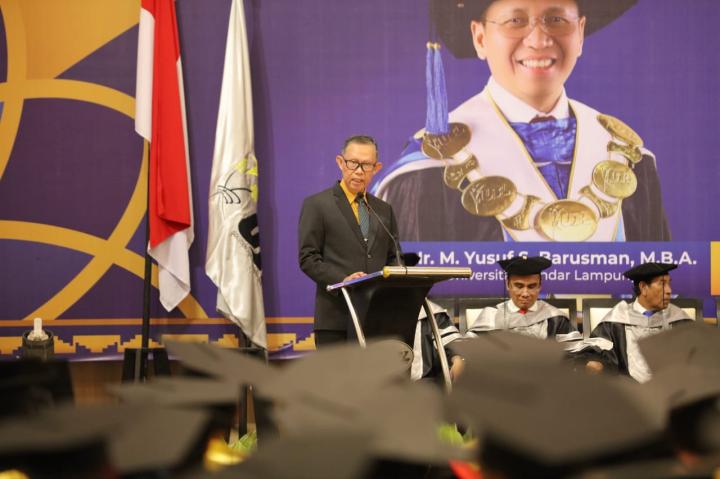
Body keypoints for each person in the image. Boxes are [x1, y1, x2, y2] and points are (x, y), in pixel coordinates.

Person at [374, 0, 671, 242]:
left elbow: (660, 291)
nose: (539, 40)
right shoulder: (431, 169)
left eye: (556, 19)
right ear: (480, 38)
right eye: (515, 21)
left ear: (580, 34)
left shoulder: (625, 157)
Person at [298, 135, 400, 347]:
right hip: (336, 319)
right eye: (353, 163)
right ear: (340, 162)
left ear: (376, 167)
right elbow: (308, 258)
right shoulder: (317, 205)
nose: (359, 171)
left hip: (377, 320)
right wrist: (343, 279)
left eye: (366, 165)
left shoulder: (384, 210)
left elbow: (394, 258)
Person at [580, 262, 693, 383]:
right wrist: (597, 364)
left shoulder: (680, 321)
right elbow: (597, 356)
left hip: (672, 395)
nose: (669, 290)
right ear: (643, 287)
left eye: (669, 283)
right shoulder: (615, 321)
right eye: (662, 284)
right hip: (627, 396)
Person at [466, 256, 578, 339]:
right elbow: (470, 353)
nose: (525, 293)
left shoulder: (555, 319)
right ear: (508, 285)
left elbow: (572, 356)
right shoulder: (491, 316)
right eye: (519, 286)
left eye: (531, 286)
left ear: (540, 286)